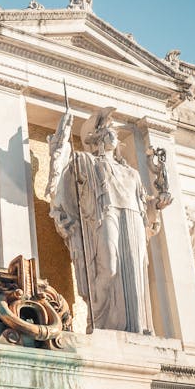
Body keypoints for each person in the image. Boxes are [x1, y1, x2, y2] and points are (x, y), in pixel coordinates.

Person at [47, 106, 157, 333]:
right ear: (95, 136)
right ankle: (98, 322)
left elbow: (146, 207)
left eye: (113, 130)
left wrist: (158, 205)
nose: (113, 132)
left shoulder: (132, 173)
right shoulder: (85, 161)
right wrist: (62, 141)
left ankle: (136, 327)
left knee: (135, 273)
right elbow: (60, 183)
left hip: (133, 218)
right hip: (104, 215)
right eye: (107, 128)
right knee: (108, 267)